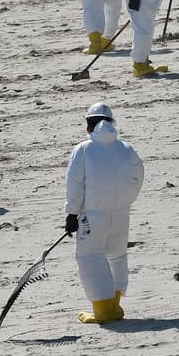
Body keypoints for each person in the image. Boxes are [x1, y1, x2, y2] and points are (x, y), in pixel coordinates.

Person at [64, 105, 144, 323]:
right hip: (121, 214)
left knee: (89, 256)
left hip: (93, 215)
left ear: (91, 124)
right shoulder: (126, 148)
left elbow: (75, 184)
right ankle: (115, 306)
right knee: (117, 255)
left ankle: (102, 310)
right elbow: (138, 177)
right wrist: (125, 200)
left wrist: (72, 213)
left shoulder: (83, 149)